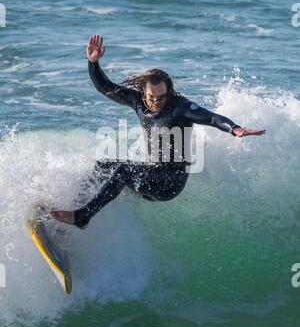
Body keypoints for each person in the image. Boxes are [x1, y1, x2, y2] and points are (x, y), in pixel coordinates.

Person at [50, 35, 266, 229]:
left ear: (169, 92)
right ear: (143, 93)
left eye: (161, 97)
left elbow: (211, 118)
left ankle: (82, 217)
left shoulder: (180, 107)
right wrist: (93, 63)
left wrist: (234, 128)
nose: (156, 102)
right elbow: (104, 87)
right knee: (103, 165)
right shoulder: (137, 101)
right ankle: (75, 209)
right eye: (152, 97)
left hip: (170, 183)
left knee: (123, 170)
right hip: (149, 174)